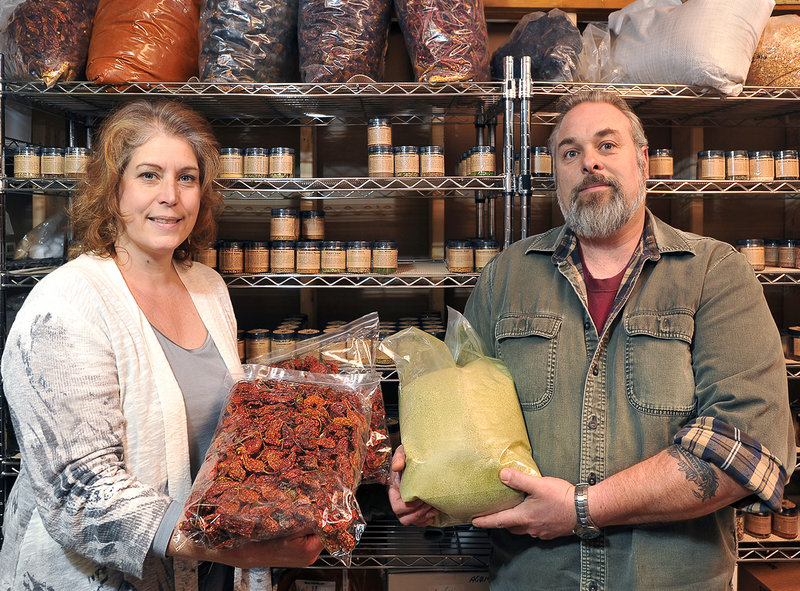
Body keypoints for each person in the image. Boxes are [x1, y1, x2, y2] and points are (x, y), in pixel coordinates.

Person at [389, 89, 796, 590]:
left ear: (643, 160)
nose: (590, 163)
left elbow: (745, 450)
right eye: (570, 152)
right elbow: (458, 424)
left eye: (608, 145)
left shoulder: (715, 272)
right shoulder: (506, 277)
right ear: (555, 174)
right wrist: (425, 481)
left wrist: (582, 508)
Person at [0, 100, 322, 591]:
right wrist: (215, 540)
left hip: (210, 569)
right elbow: (78, 490)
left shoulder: (207, 287)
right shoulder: (65, 305)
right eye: (149, 175)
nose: (170, 196)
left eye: (187, 178)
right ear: (114, 189)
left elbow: (229, 436)